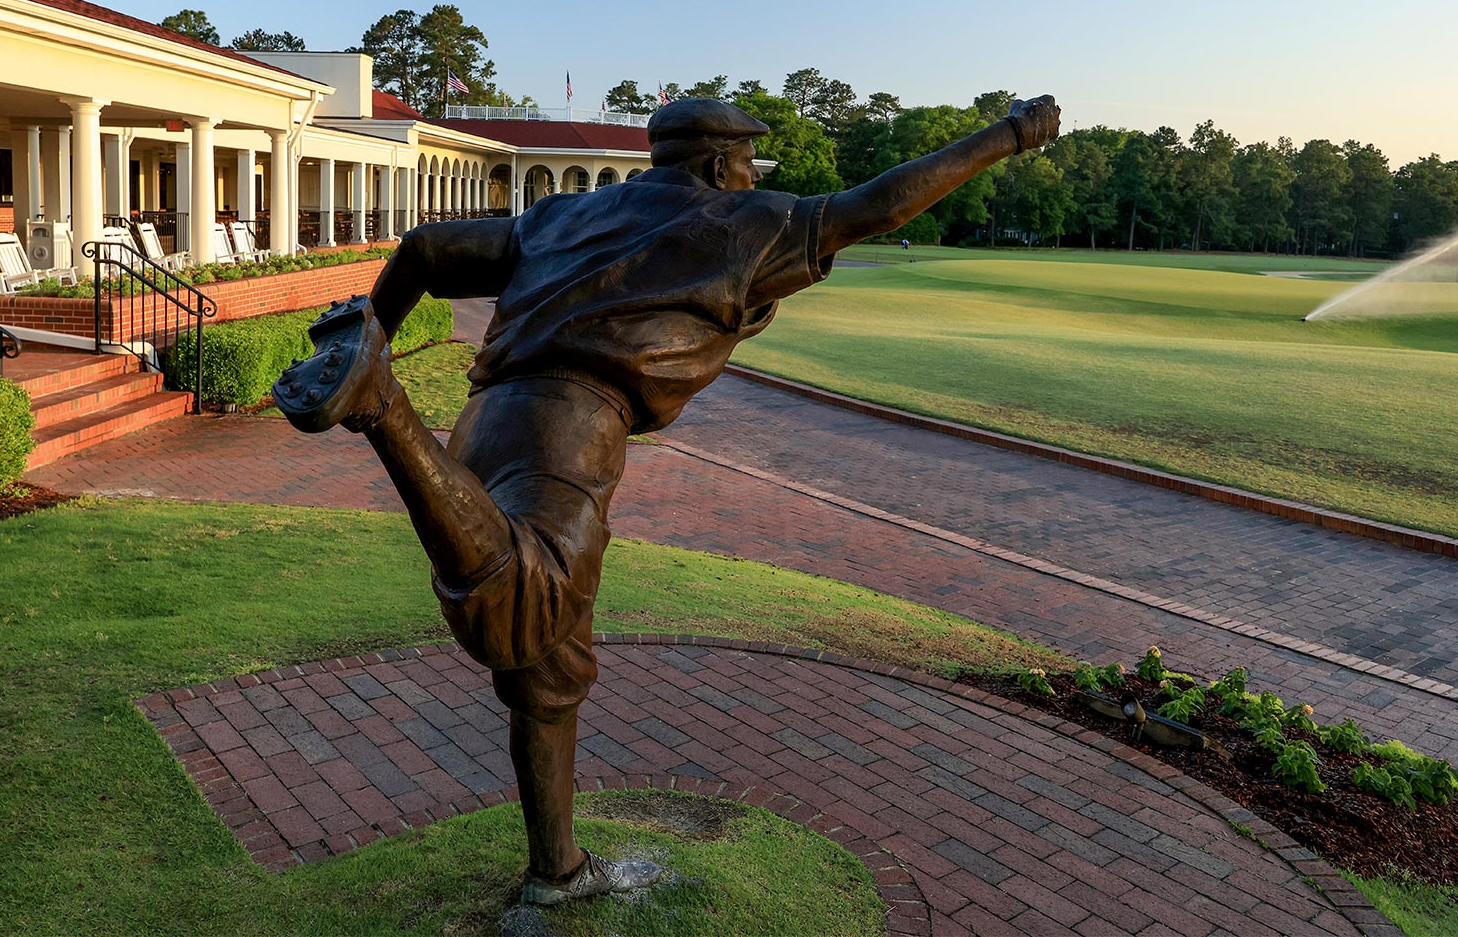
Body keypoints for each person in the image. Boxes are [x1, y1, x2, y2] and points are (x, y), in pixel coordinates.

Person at [275, 95, 1060, 904]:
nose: (752, 173)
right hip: (569, 431)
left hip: (486, 419)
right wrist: (1007, 136)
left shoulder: (567, 214)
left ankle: (557, 872)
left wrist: (379, 324)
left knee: (550, 673)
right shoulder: (740, 221)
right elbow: (881, 201)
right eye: (748, 160)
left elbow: (425, 250)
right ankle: (381, 409)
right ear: (720, 164)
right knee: (527, 607)